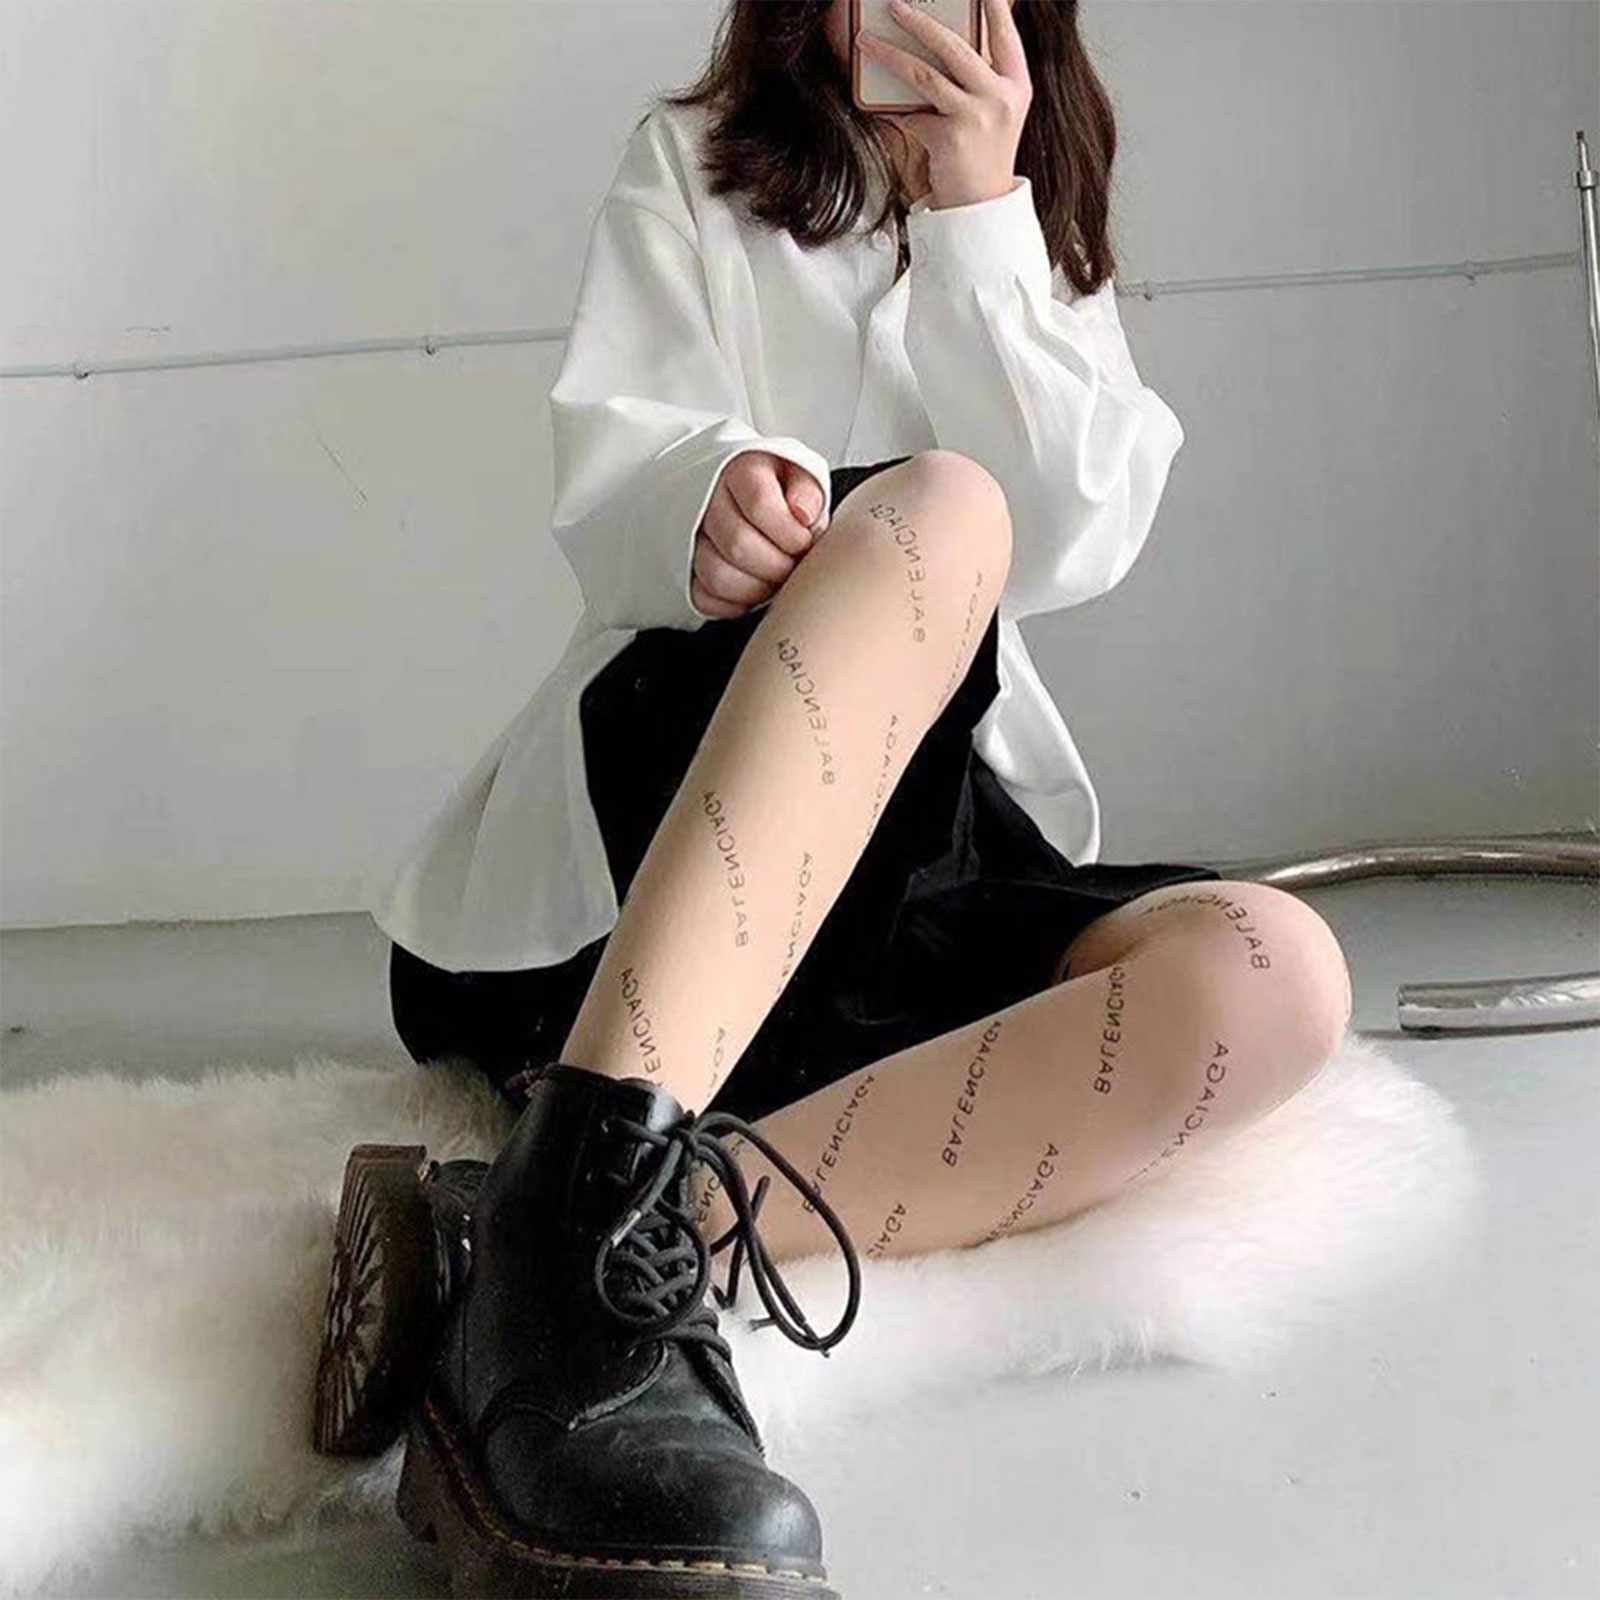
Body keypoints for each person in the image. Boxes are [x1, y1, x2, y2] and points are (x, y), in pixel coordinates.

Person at [313, 2, 1355, 1594]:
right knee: (937, 514)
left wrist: (981, 220)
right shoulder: (692, 162)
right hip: (672, 803)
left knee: (1276, 973)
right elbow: (613, 463)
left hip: (910, 846)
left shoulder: (1025, 207)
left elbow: (1081, 531)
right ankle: (583, 1206)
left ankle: (579, 1236)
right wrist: (708, 500)